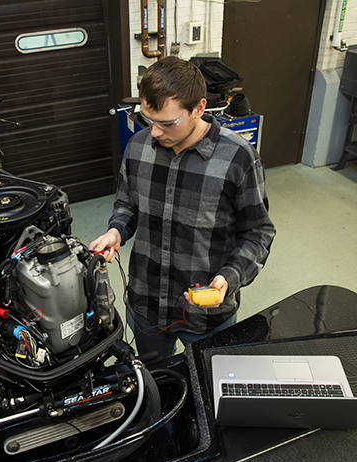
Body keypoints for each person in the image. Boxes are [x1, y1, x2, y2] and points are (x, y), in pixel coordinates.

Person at [89, 56, 275, 358]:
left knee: (208, 382)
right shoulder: (137, 147)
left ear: (198, 108)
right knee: (155, 382)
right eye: (147, 119)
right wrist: (116, 231)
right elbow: (127, 204)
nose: (155, 132)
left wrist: (229, 277)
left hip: (205, 313)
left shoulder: (238, 157)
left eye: (167, 123)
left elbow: (258, 233)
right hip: (146, 304)